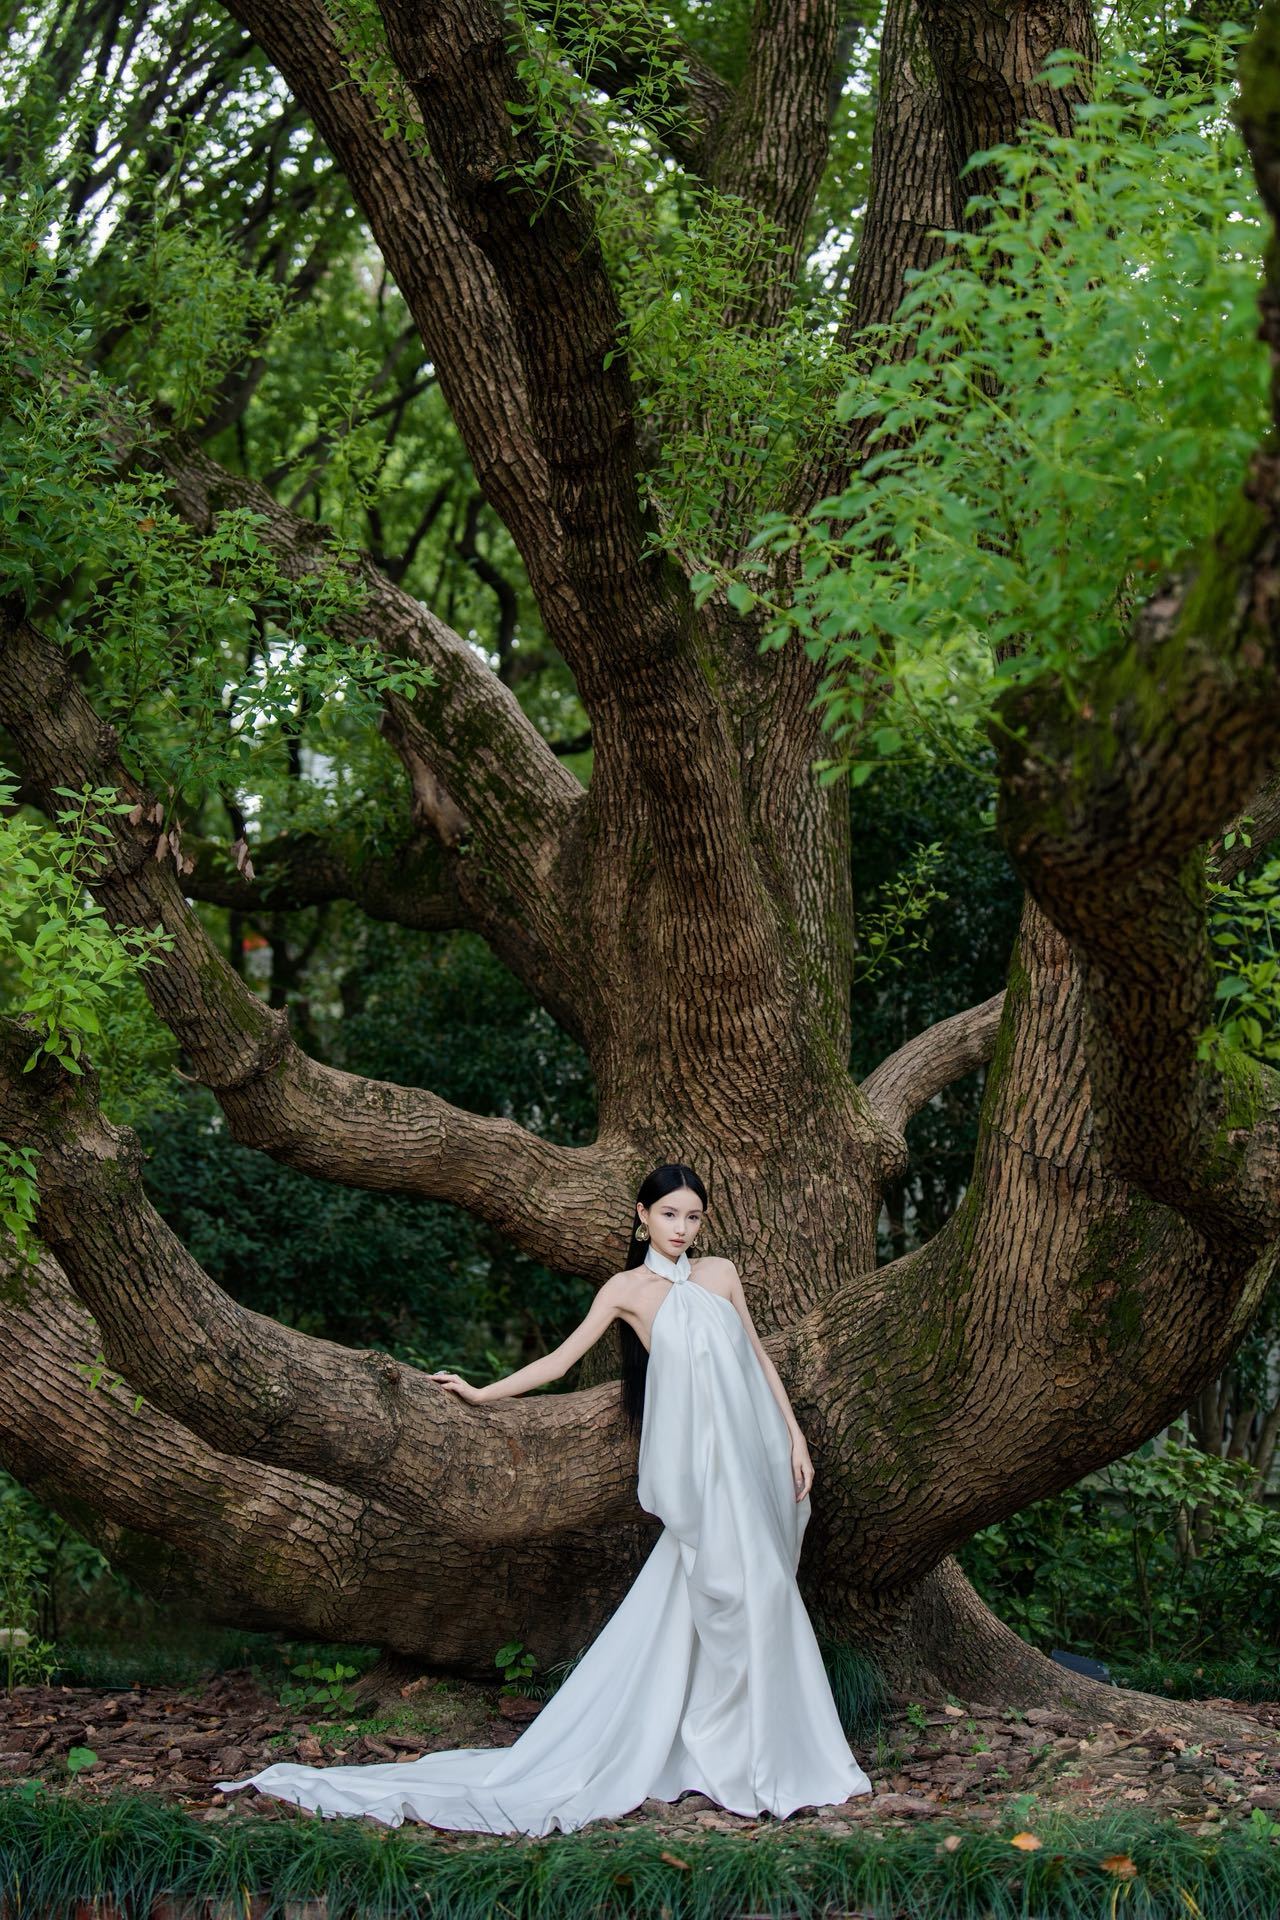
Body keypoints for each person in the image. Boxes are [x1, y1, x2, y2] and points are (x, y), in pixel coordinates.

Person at [215, 1162, 874, 1834]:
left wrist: (794, 1437)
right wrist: (481, 1392)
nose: (682, 1228)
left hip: (753, 1453)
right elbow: (558, 1363)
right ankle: (729, 1752)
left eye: (693, 1217)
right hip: (701, 1472)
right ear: (641, 1216)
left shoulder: (721, 1275)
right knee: (732, 1595)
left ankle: (765, 1755)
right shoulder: (627, 1290)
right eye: (670, 1214)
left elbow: (757, 1358)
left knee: (763, 1593)